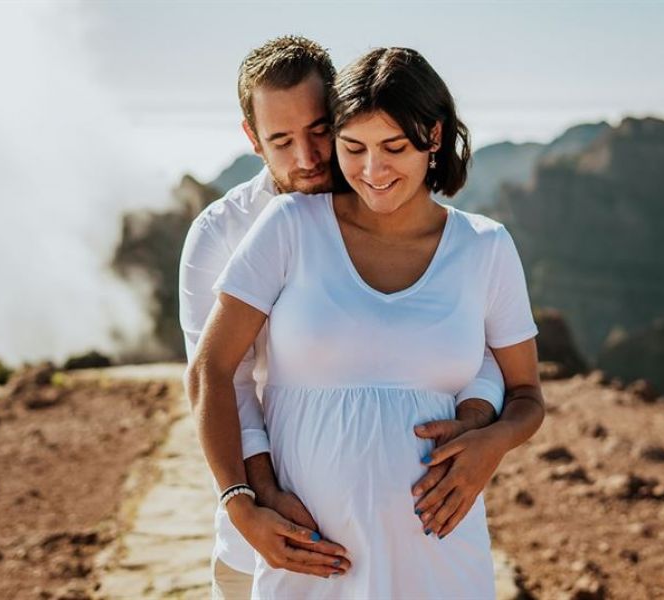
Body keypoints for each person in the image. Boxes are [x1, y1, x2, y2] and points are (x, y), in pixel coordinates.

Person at [190, 46, 546, 599]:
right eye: (353, 148)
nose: (372, 171)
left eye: (393, 148)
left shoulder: (486, 245)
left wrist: (491, 442)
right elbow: (212, 372)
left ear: (432, 136)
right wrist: (242, 499)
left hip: (439, 556)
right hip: (307, 556)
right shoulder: (283, 224)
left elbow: (522, 391)